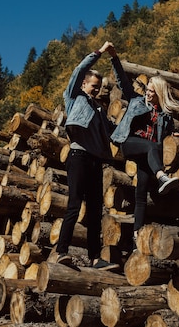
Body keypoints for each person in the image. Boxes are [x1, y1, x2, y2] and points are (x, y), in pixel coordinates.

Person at [54, 41, 121, 271]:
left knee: (95, 211)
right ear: (83, 84)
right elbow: (78, 70)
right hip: (78, 157)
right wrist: (100, 52)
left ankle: (94, 258)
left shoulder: (99, 111)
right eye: (94, 85)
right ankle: (61, 251)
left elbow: (116, 131)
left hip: (95, 162)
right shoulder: (74, 98)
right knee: (74, 205)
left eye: (99, 86)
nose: (97, 89)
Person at [109, 64, 179, 249]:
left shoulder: (165, 116)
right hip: (129, 144)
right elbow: (122, 81)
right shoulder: (136, 100)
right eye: (148, 90)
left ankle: (137, 236)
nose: (148, 94)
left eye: (152, 91)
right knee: (151, 146)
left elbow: (166, 136)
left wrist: (174, 136)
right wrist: (114, 58)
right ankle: (161, 177)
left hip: (147, 154)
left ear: (159, 93)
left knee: (141, 193)